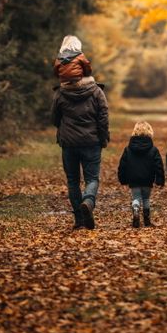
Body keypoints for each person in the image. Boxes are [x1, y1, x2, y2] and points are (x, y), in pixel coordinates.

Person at [51, 67, 109, 231]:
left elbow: (54, 118)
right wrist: (103, 137)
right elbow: (103, 116)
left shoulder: (61, 93)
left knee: (72, 181)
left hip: (69, 144)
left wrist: (65, 128)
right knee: (92, 179)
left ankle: (79, 219)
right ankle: (88, 202)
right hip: (92, 142)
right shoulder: (97, 91)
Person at [117, 121, 165, 229]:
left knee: (136, 197)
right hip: (147, 179)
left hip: (133, 179)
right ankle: (147, 221)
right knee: (146, 199)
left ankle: (135, 209)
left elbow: (122, 165)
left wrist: (122, 179)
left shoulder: (128, 149)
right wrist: (160, 180)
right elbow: (159, 166)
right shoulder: (153, 150)